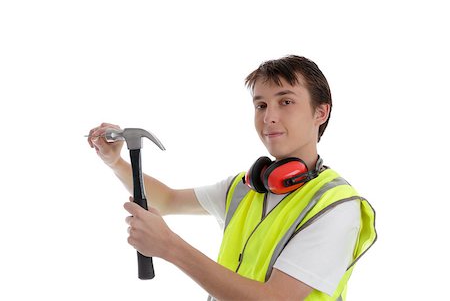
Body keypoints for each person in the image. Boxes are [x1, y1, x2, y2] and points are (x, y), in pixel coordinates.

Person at [87, 55, 376, 300]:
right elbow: (166, 200)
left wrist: (170, 247)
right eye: (261, 105)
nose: (268, 117)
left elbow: (275, 298)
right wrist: (115, 161)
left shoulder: (336, 207)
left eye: (285, 102)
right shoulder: (244, 188)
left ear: (321, 112)